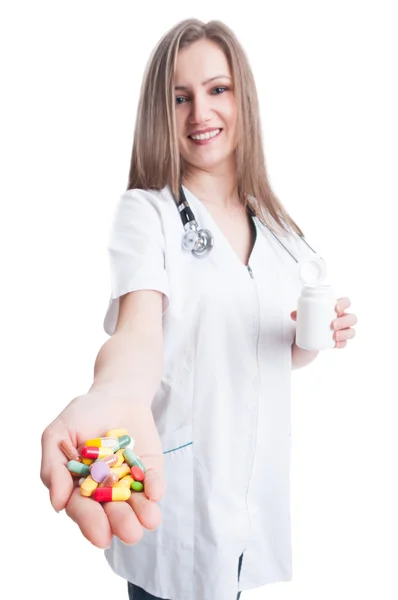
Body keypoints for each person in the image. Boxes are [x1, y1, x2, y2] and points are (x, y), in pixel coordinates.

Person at [40, 17, 358, 600]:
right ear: (161, 112)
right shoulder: (147, 214)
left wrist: (310, 342)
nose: (199, 114)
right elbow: (139, 333)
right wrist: (116, 393)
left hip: (246, 501)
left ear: (243, 97)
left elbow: (259, 351)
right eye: (179, 97)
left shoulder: (276, 224)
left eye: (217, 90)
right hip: (177, 501)